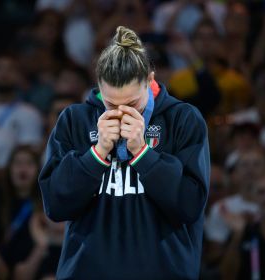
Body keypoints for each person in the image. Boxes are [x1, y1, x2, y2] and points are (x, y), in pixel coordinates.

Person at [39, 26, 210, 279]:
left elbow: (189, 205)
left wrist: (143, 153)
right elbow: (55, 205)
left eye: (132, 104)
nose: (120, 112)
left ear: (150, 79)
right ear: (98, 84)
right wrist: (97, 154)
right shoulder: (74, 120)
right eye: (110, 103)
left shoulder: (183, 119)